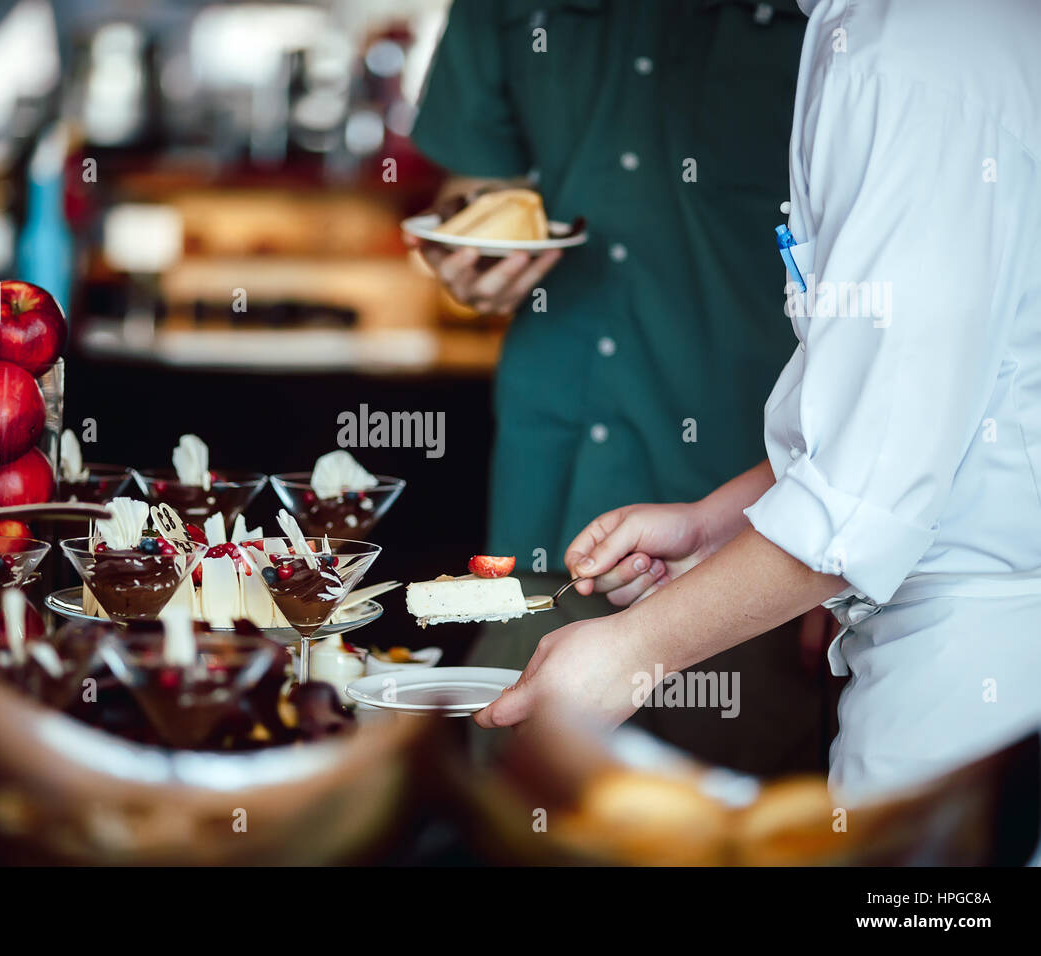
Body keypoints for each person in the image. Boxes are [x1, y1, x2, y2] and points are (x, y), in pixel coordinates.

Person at [478, 0, 1041, 802]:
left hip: (971, 679)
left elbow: (867, 492)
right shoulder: (881, 32)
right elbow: (906, 411)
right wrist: (718, 524)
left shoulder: (913, 51)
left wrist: (632, 651)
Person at [410, 0, 806, 568]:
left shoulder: (844, 16)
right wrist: (471, 258)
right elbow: (481, 180)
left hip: (750, 491)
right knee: (510, 654)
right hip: (547, 469)